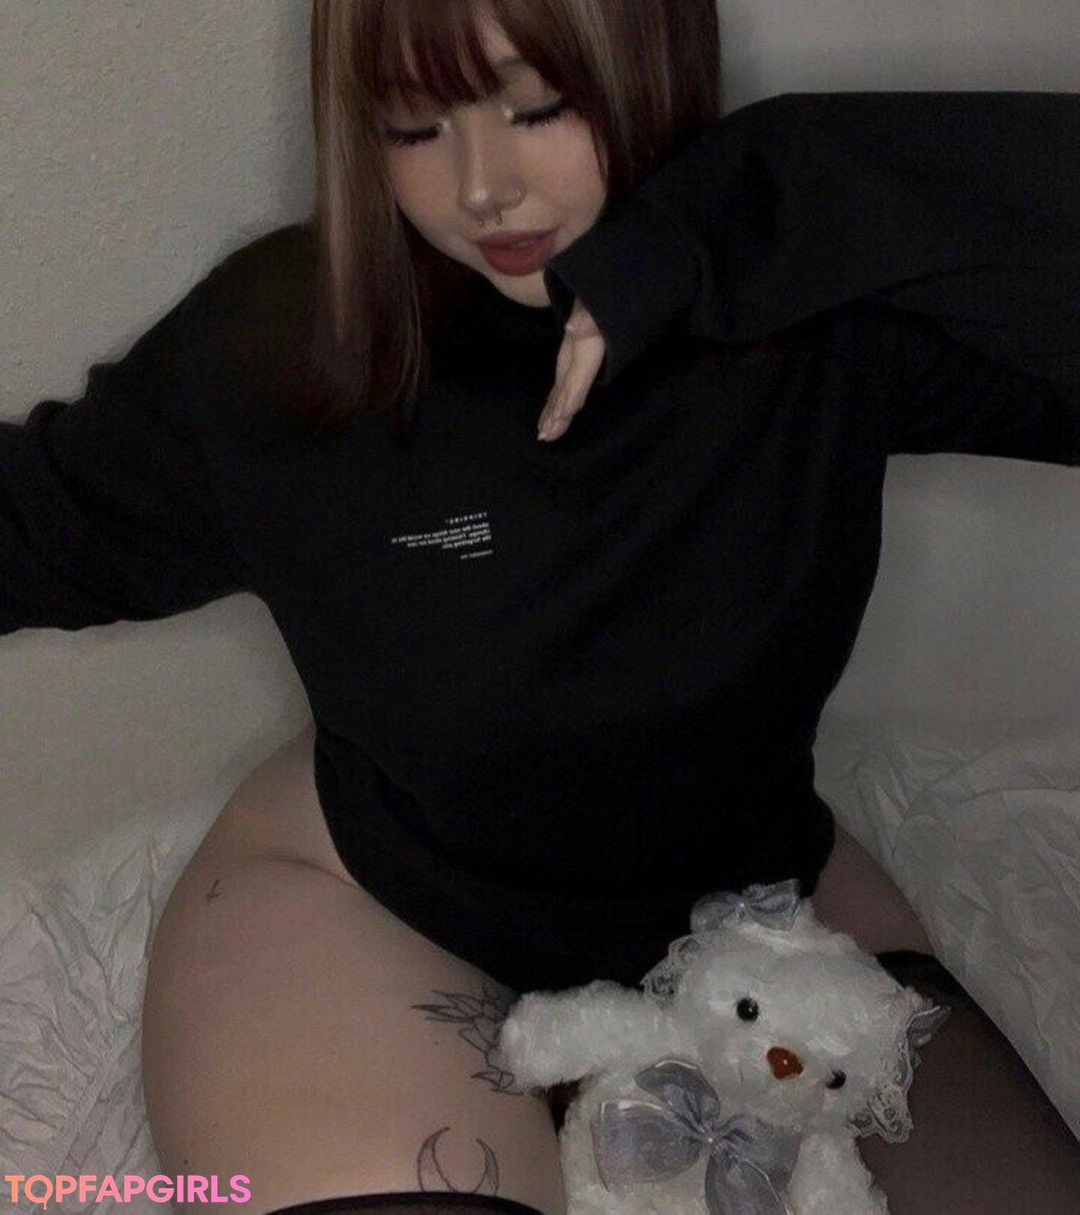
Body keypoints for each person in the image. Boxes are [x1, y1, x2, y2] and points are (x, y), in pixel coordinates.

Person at [3, 1, 1078, 1212]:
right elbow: (28, 528)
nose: (482, 186)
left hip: (758, 919)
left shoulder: (812, 312)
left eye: (539, 107)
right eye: (414, 126)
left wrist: (759, 195)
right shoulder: (287, 346)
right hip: (379, 910)